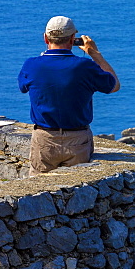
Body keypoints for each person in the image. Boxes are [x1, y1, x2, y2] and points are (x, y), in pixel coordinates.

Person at [18, 16, 120, 175]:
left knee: (38, 193)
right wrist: (95, 54)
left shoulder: (31, 65)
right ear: (73, 39)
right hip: (77, 139)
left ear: (46, 38)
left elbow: (23, 87)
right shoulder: (85, 66)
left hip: (44, 138)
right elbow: (114, 85)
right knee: (76, 191)